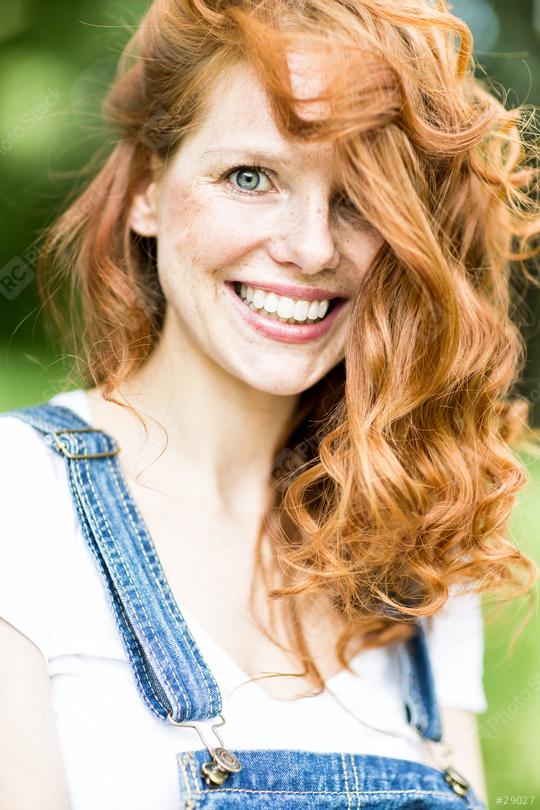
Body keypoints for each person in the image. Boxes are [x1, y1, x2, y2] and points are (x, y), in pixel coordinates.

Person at [1, 0, 539, 808]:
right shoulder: (19, 502)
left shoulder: (413, 553)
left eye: (359, 198)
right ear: (149, 189)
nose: (313, 246)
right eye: (250, 177)